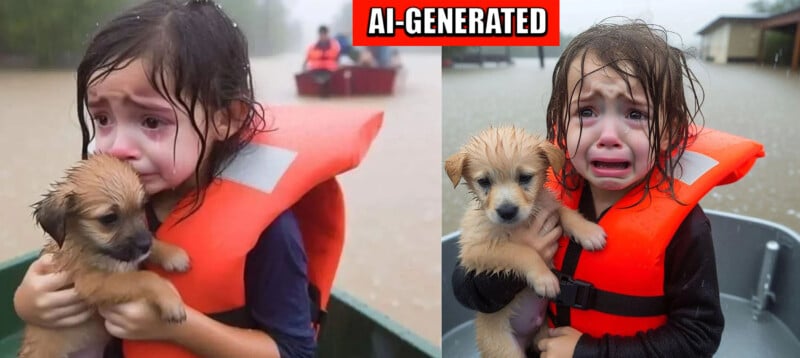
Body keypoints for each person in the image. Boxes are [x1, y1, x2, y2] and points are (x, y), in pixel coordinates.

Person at [13, 1, 380, 357]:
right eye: (103, 119)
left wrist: (177, 326)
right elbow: (72, 270)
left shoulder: (271, 233)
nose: (118, 146)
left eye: (151, 121)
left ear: (226, 118)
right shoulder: (115, 194)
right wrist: (29, 302)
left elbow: (295, 351)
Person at [451, 20, 764, 357]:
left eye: (635, 113)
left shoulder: (688, 229)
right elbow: (466, 291)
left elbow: (698, 338)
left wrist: (588, 352)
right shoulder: (539, 191)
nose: (609, 135)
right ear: (560, 124)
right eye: (586, 111)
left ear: (672, 130)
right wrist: (519, 263)